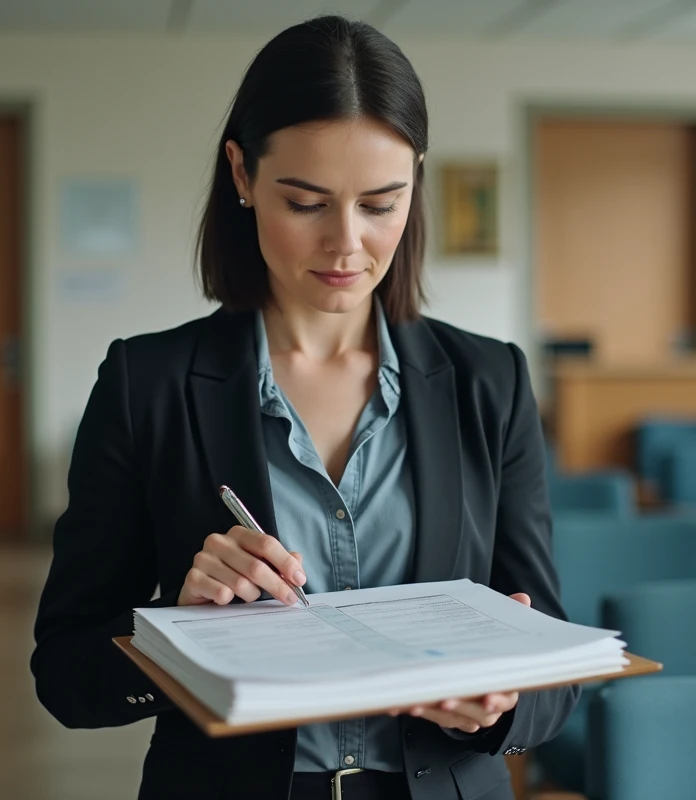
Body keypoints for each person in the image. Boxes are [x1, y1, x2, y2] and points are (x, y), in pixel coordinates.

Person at [30, 16, 577, 800]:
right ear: (242, 175)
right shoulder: (143, 383)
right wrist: (180, 629)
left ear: (416, 181)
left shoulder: (489, 381)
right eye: (307, 202)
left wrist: (501, 703)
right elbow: (66, 672)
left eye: (381, 203)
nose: (346, 245)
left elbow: (556, 670)